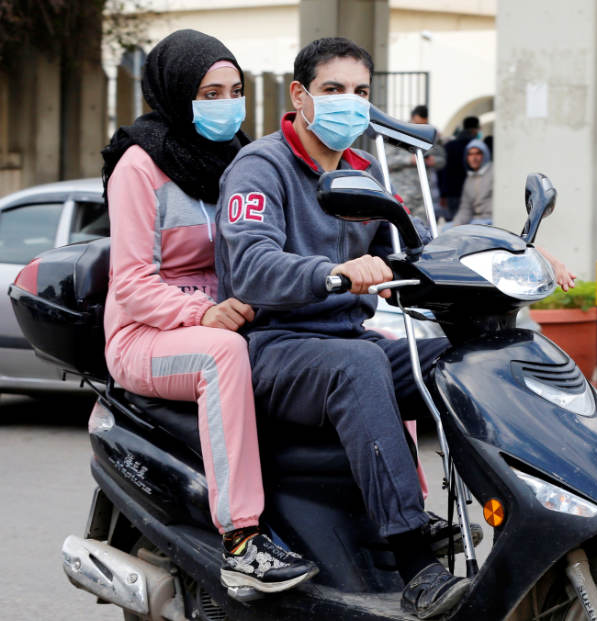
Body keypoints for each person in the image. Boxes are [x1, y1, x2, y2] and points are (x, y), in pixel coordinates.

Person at [214, 37, 471, 619]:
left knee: (460, 356)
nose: (349, 104)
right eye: (333, 90)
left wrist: (507, 260)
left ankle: (513, 504)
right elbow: (252, 266)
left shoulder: (362, 173)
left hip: (346, 341)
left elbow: (415, 253)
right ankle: (414, 563)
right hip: (275, 347)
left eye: (360, 92)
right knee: (361, 365)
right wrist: (332, 273)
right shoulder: (260, 166)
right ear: (300, 96)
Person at [100, 29, 318, 594]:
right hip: (146, 331)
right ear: (176, 92)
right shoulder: (139, 166)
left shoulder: (239, 158)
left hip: (234, 312)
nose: (226, 106)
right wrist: (203, 313)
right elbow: (130, 284)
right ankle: (242, 540)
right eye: (209, 93)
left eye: (234, 91)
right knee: (221, 355)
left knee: (366, 345)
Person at [385, 105, 445, 223]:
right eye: (417, 124)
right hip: (401, 194)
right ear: (412, 118)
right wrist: (409, 160)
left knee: (423, 232)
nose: (419, 128)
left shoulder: (431, 135)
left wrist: (433, 161)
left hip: (423, 197)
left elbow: (442, 160)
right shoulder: (396, 134)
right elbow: (387, 161)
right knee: (400, 229)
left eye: (423, 124)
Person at [438, 116, 479, 222]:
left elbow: (443, 171)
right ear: (475, 129)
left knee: (453, 226)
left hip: (451, 194)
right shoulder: (477, 149)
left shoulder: (449, 146)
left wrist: (443, 194)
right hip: (472, 194)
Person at [450, 138, 492, 226]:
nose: (474, 158)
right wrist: (455, 226)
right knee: (445, 230)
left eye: (478, 153)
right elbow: (465, 208)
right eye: (470, 154)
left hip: (491, 222)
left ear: (485, 154)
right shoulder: (469, 179)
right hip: (475, 222)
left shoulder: (494, 173)